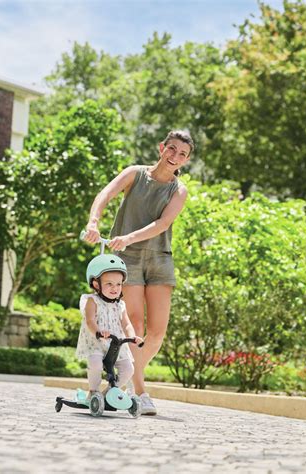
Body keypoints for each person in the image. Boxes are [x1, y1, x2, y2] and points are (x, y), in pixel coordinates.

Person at [84, 129, 194, 415]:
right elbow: (105, 194)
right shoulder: (135, 174)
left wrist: (129, 237)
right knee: (135, 326)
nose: (175, 156)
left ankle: (121, 380)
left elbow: (162, 224)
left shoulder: (179, 190)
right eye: (172, 149)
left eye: (182, 154)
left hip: (159, 258)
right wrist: (94, 221)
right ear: (161, 148)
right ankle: (141, 392)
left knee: (157, 333)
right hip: (127, 260)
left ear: (186, 160)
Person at [76, 253, 144, 399]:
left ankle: (109, 393)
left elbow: (126, 324)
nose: (115, 288)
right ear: (96, 284)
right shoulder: (91, 301)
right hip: (97, 342)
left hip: (116, 343)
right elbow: (90, 321)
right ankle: (93, 392)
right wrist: (99, 332)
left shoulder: (120, 305)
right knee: (95, 364)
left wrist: (132, 336)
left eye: (118, 284)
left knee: (128, 369)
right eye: (109, 284)